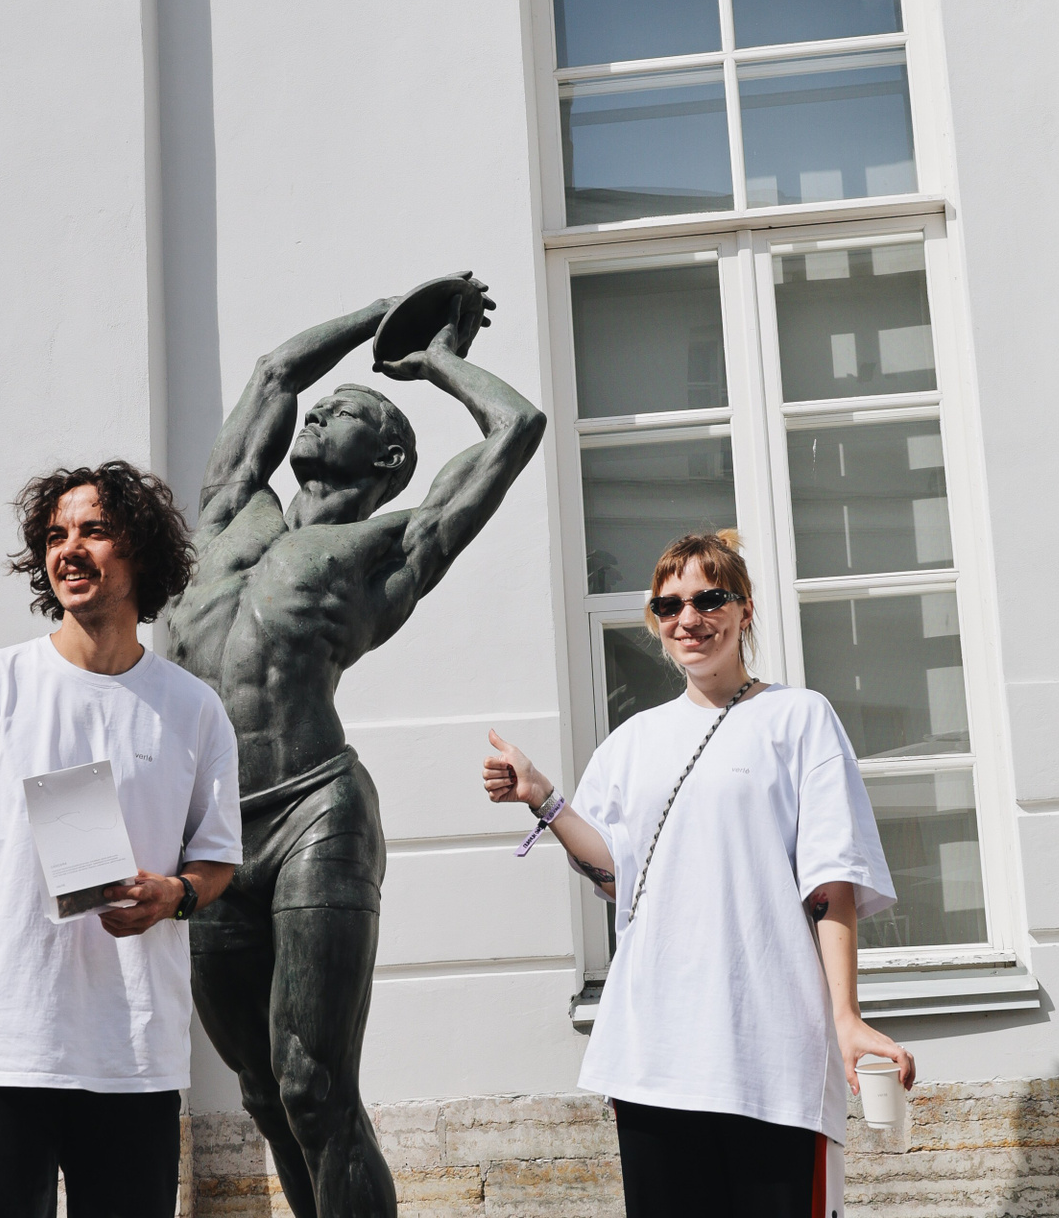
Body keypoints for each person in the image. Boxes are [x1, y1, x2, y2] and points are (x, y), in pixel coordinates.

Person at [163, 276, 546, 1218]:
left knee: (313, 1085)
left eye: (350, 410)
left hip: (314, 813)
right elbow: (276, 373)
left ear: (388, 456)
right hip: (208, 833)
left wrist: (436, 360)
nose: (323, 408)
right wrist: (383, 314)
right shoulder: (228, 514)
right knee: (263, 1094)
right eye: (327, 404)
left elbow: (516, 428)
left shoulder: (392, 546)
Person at [482, 529, 914, 1218]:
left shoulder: (798, 718)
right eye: (669, 605)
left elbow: (829, 884)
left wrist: (847, 1017)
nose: (689, 618)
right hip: (654, 1053)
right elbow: (617, 877)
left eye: (709, 599)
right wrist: (545, 798)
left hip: (773, 1053)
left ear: (744, 609)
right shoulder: (631, 742)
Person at [0, 460, 243, 1218]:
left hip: (135, 1055)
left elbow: (216, 861)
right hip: (4, 1052)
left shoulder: (193, 709)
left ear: (140, 554)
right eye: (54, 536)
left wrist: (175, 895)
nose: (68, 549)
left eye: (93, 531)